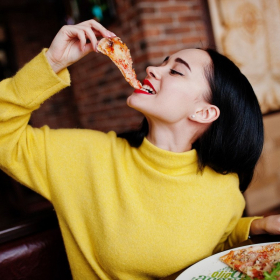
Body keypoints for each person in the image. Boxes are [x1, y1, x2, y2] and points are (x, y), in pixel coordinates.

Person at [0, 19, 279, 280]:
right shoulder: (85, 155)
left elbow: (216, 238)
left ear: (204, 112)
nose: (152, 70)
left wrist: (254, 227)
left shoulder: (225, 188)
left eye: (175, 70)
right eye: (162, 62)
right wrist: (52, 62)